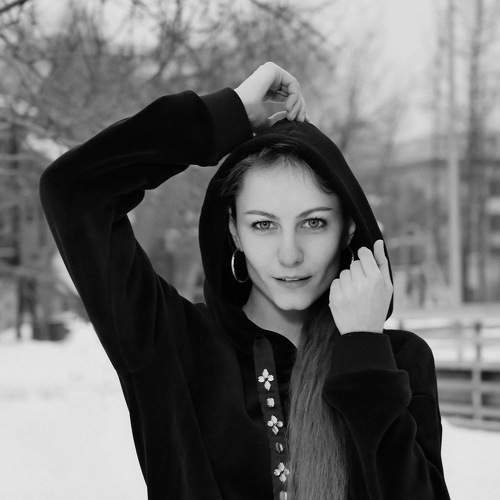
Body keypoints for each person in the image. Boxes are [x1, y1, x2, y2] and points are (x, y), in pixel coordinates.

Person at [39, 62, 450, 500]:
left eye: (313, 223)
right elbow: (74, 191)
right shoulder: (173, 345)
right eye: (263, 225)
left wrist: (365, 355)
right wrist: (223, 117)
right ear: (234, 230)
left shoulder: (396, 362)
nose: (289, 254)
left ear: (348, 229)